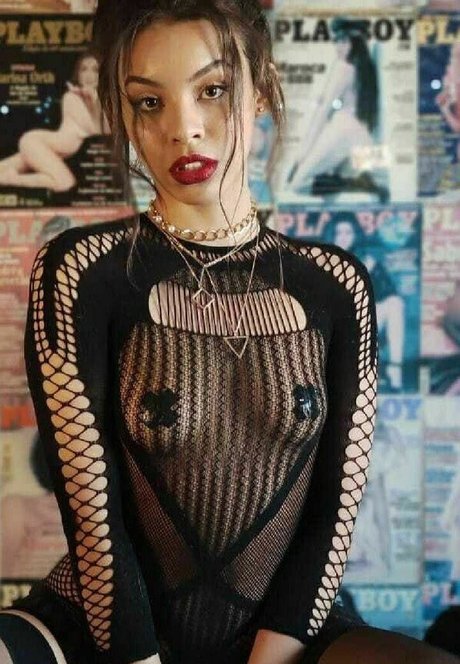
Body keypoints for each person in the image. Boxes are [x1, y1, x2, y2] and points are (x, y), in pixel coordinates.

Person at [0, 2, 457, 663]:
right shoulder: (84, 270)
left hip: (287, 625)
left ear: (261, 88)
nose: (183, 128)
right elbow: (94, 520)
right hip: (104, 622)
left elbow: (333, 513)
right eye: (149, 102)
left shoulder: (335, 285)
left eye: (211, 90)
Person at [276, 18, 388, 203]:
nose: (338, 47)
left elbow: (323, 110)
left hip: (343, 130)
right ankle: (358, 183)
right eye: (336, 41)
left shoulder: (343, 68)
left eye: (343, 41)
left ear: (355, 43)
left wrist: (303, 152)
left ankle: (357, 184)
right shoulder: (367, 69)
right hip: (362, 135)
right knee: (331, 194)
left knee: (297, 185)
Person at [0, 52, 109, 192]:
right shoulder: (71, 97)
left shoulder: (103, 102)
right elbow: (95, 130)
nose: (89, 74)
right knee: (65, 182)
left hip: (48, 148)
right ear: (78, 74)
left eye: (95, 70)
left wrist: (95, 100)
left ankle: (6, 177)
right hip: (35, 141)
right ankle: (11, 179)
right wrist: (93, 100)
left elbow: (108, 129)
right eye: (84, 69)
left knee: (4, 167)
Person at [324, 214, 405, 392]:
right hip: (334, 326)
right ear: (332, 235)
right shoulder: (321, 261)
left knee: (395, 303)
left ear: (355, 235)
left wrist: (369, 272)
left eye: (348, 232)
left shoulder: (366, 260)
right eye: (339, 233)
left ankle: (395, 369)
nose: (343, 237)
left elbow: (389, 292)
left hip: (362, 320)